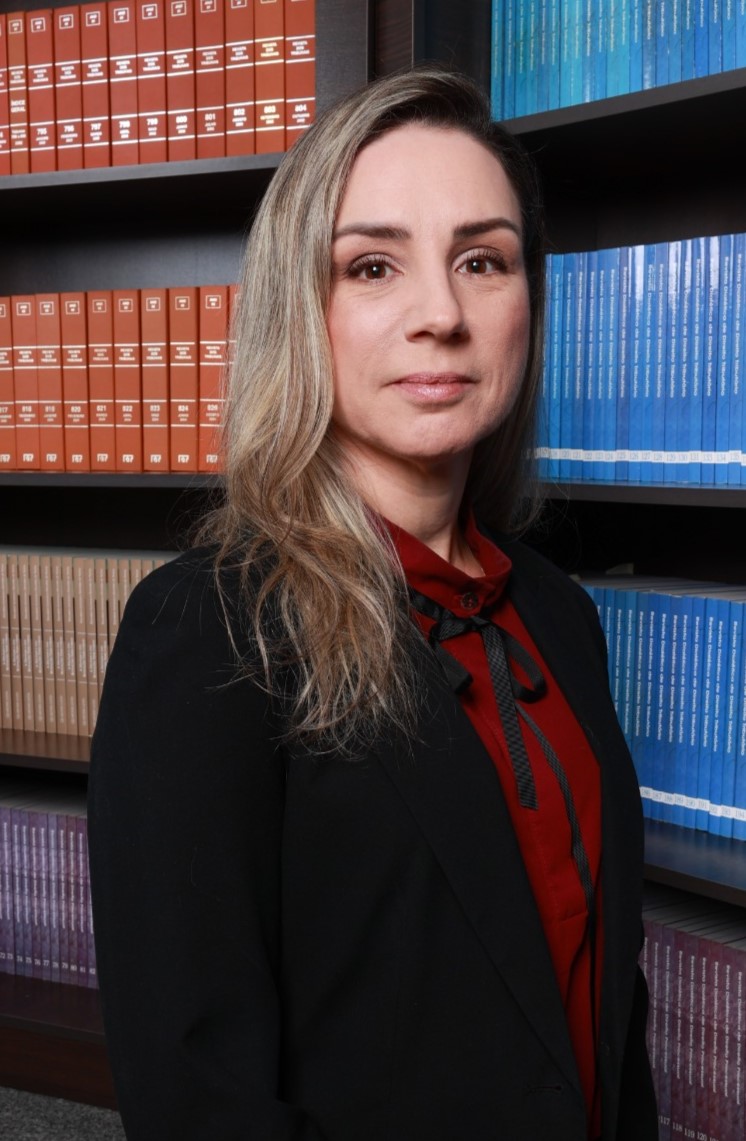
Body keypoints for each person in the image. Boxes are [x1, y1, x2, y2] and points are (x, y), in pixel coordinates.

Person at [87, 66, 658, 1141]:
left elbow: (600, 1001)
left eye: (482, 260)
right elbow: (197, 1100)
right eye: (372, 266)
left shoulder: (556, 614)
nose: (441, 315)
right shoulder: (206, 629)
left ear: (527, 301)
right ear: (302, 310)